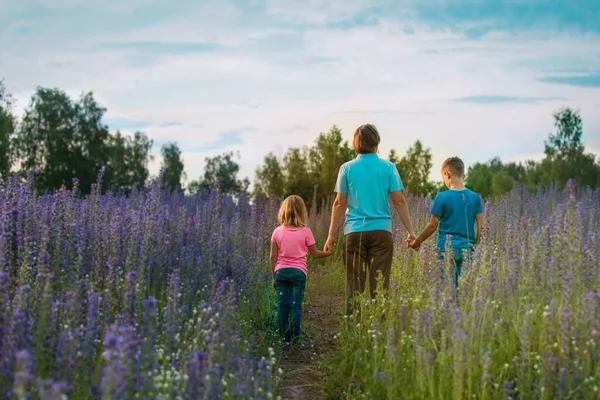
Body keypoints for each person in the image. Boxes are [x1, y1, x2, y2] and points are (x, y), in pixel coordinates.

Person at [324, 124, 416, 315]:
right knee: (380, 286)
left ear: (355, 144)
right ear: (376, 142)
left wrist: (331, 235)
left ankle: (353, 329)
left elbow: (340, 204)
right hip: (381, 233)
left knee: (354, 286)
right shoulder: (389, 167)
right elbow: (399, 200)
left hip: (354, 233)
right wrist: (411, 232)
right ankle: (381, 332)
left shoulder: (346, 168)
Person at [407, 157, 484, 288]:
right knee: (465, 290)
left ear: (447, 174)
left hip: (446, 250)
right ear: (463, 176)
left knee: (448, 291)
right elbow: (482, 227)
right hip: (468, 249)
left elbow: (432, 226)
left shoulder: (442, 197)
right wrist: (475, 245)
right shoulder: (475, 197)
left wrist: (416, 243)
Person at [270, 195, 332, 350]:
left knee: (282, 306)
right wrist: (328, 253)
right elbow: (315, 254)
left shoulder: (277, 232)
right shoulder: (306, 231)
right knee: (296, 305)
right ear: (302, 212)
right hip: (299, 273)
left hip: (281, 273)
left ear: (283, 212)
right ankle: (296, 339)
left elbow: (273, 257)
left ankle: (285, 340)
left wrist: (274, 277)